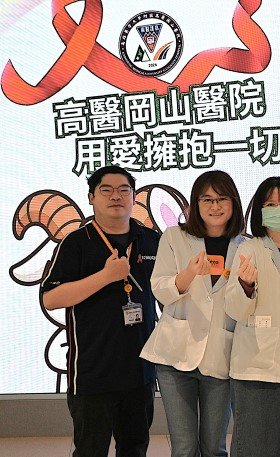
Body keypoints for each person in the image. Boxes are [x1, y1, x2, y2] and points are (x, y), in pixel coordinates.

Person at [42, 165, 159, 457]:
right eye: (106, 190)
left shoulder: (151, 240)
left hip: (140, 371)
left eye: (124, 190)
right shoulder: (76, 243)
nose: (116, 196)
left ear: (134, 197)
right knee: (90, 451)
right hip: (92, 374)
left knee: (135, 449)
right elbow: (51, 299)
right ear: (91, 197)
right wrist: (105, 277)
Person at [140, 170, 245, 457]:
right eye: (207, 199)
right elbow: (160, 290)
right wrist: (188, 273)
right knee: (184, 448)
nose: (215, 206)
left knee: (214, 448)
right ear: (195, 204)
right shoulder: (175, 237)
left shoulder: (245, 246)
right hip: (175, 357)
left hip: (220, 356)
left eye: (222, 199)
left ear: (234, 203)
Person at [225, 177, 280, 457]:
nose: (279, 209)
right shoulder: (249, 249)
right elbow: (235, 309)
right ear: (260, 212)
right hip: (259, 366)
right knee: (256, 448)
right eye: (271, 204)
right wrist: (246, 285)